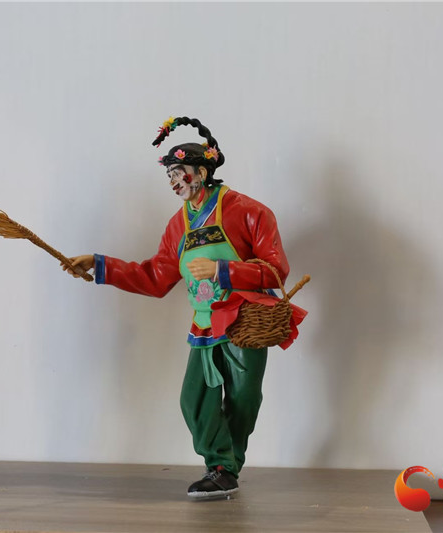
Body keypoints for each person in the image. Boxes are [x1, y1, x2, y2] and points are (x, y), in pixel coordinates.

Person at [63, 117, 290, 500]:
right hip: (204, 324)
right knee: (194, 399)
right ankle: (221, 466)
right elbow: (155, 276)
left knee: (243, 400)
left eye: (178, 172)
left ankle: (226, 469)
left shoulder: (250, 212)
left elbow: (276, 270)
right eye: (168, 175)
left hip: (244, 322)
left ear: (202, 171)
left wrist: (223, 270)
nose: (173, 181)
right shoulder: (177, 225)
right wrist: (101, 266)